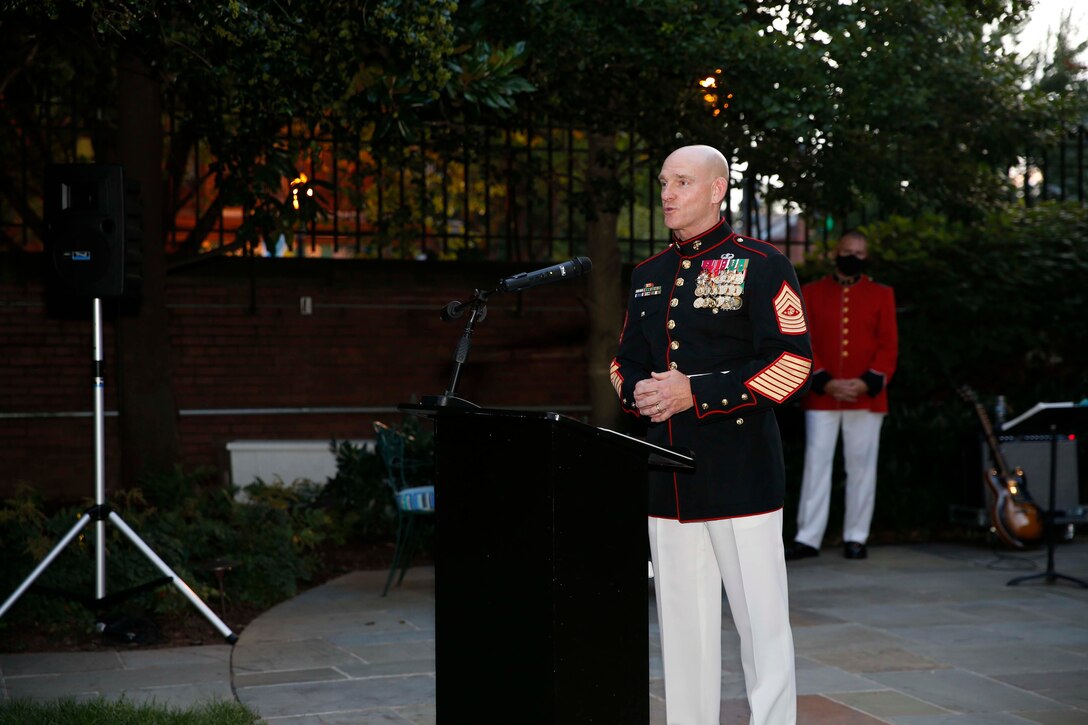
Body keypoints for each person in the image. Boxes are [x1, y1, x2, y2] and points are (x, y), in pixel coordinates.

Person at [610, 144, 812, 725]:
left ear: (718, 189)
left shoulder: (762, 263)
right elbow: (624, 362)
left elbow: (792, 365)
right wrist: (638, 393)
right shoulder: (648, 275)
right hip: (666, 476)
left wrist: (695, 390)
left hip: (739, 476)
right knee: (682, 631)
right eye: (664, 182)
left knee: (762, 629)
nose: (668, 194)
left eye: (682, 182)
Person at [785, 230, 898, 561]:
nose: (853, 257)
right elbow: (804, 342)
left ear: (867, 257)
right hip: (823, 396)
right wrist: (824, 381)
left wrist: (866, 382)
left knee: (862, 468)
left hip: (867, 398)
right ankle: (808, 537)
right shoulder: (812, 292)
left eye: (859, 253)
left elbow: (888, 346)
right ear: (836, 252)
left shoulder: (881, 294)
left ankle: (856, 536)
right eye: (848, 251)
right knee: (816, 465)